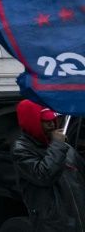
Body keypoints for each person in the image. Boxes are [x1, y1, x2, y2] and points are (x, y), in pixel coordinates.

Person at [12, 99, 85, 232]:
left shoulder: (62, 147)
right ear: (33, 122)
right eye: (46, 122)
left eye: (53, 120)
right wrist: (57, 145)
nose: (52, 125)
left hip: (77, 217)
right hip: (54, 223)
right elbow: (44, 175)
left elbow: (81, 172)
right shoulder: (21, 150)